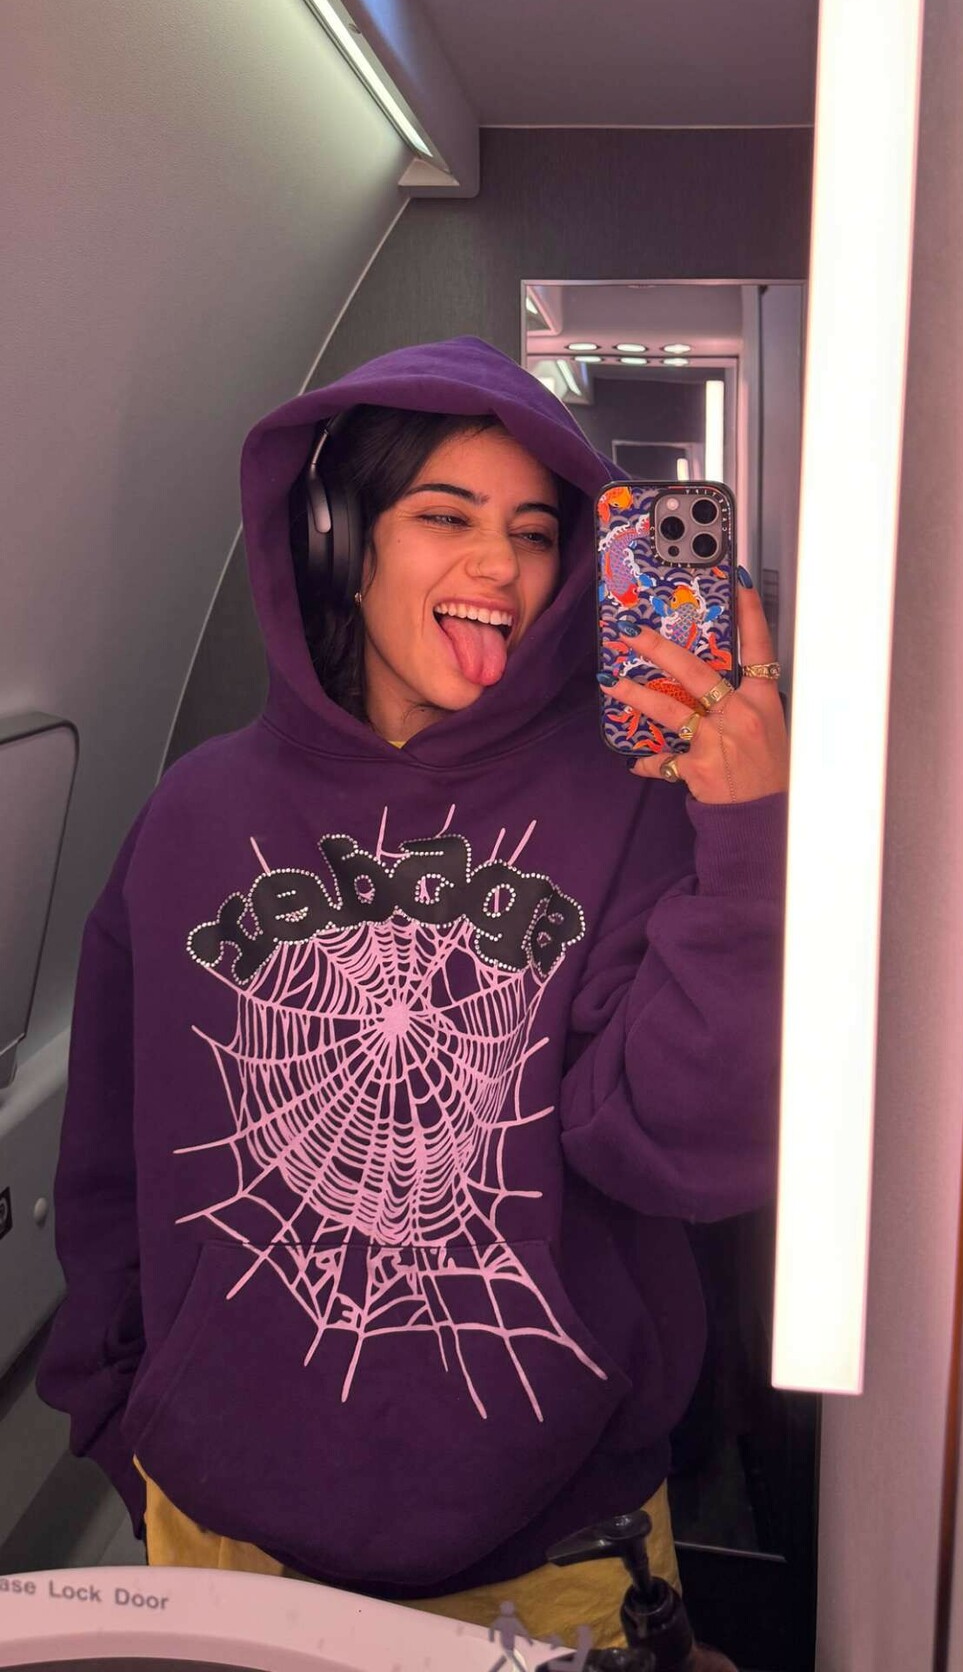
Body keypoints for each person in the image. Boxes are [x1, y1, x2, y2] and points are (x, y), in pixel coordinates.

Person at [37, 337, 789, 1651]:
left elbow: (680, 1152)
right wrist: (121, 1416)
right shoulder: (194, 814)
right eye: (447, 516)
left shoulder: (629, 811)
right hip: (219, 1532)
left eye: (535, 533)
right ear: (339, 541)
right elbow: (105, 1154)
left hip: (564, 1548)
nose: (500, 566)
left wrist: (745, 843)